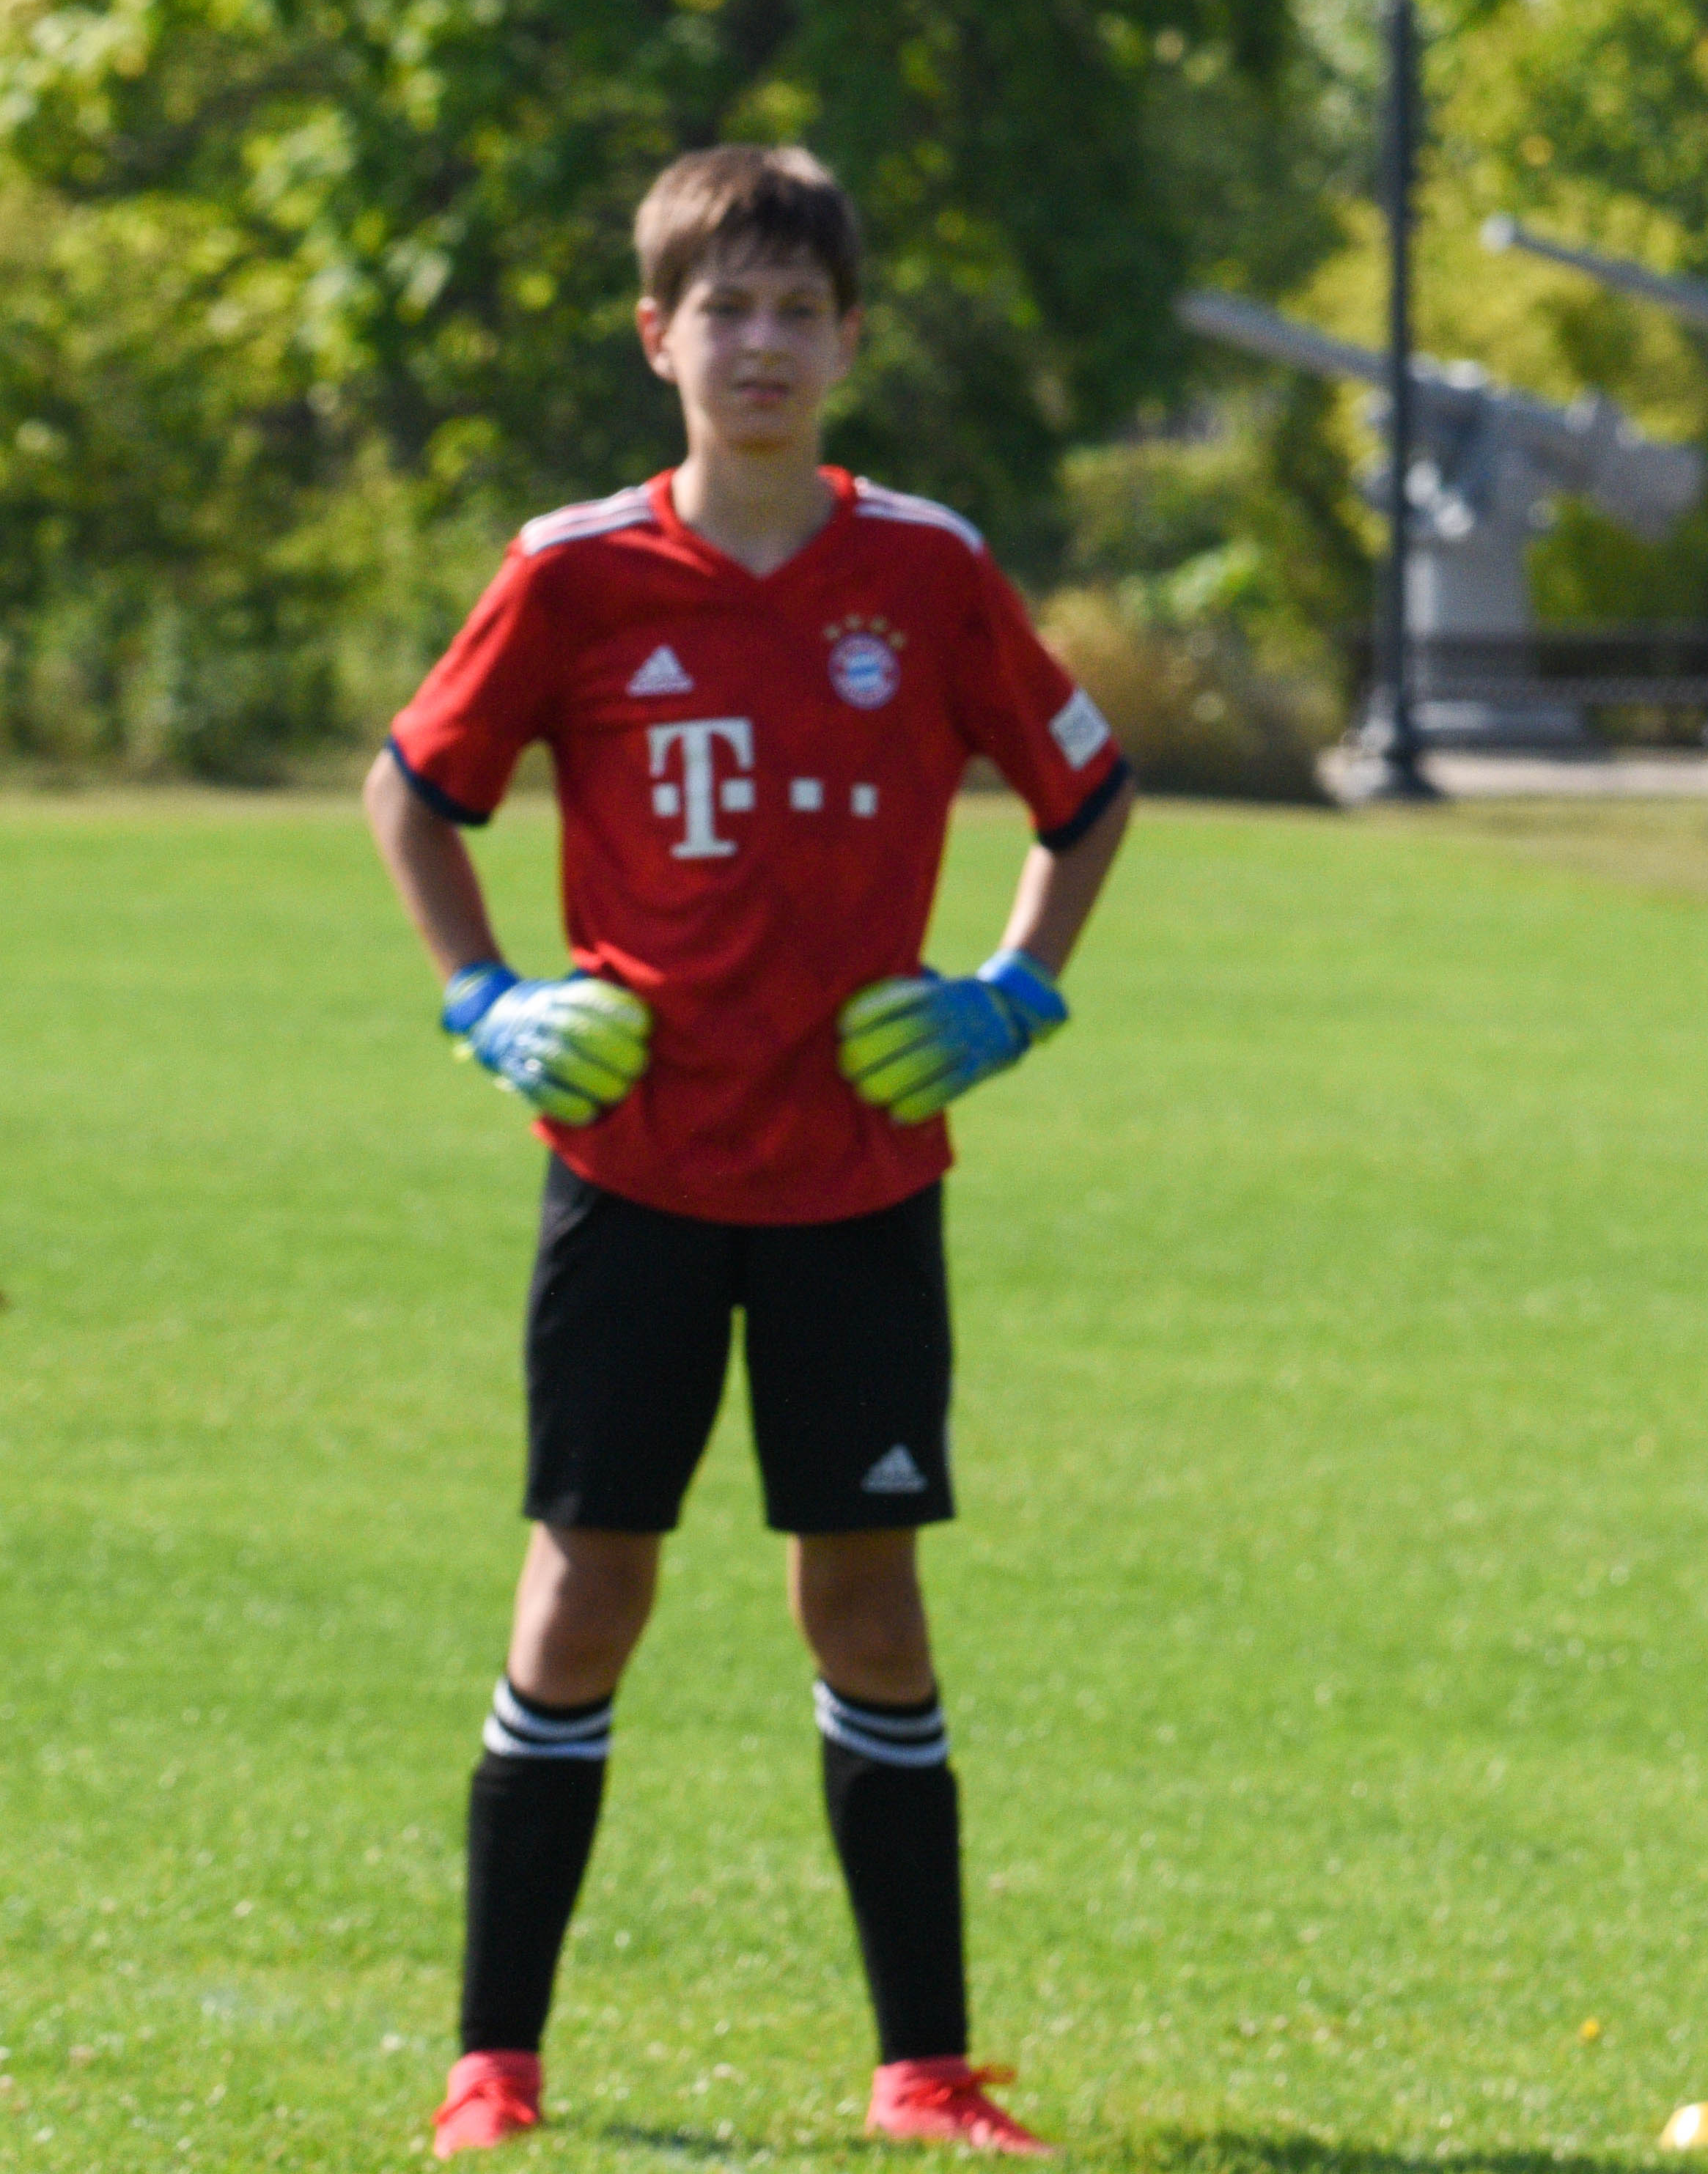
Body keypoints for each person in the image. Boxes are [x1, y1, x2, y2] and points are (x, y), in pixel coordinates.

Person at [362, 145, 1133, 2161]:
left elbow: (1089, 788)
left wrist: (1011, 993)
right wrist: (484, 994)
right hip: (627, 1173)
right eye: (728, 310)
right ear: (658, 338)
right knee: (582, 1593)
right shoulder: (577, 569)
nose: (765, 344)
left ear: (852, 341)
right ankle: (494, 2069)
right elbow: (414, 786)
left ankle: (926, 2073)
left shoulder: (932, 573)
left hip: (859, 1185)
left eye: (801, 311)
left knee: (864, 1609)